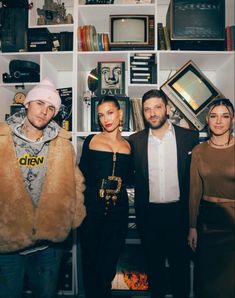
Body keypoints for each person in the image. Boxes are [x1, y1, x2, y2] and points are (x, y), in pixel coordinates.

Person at [0, 78, 86, 298]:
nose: (44, 111)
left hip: (48, 245)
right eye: (39, 103)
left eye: (51, 108)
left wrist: (74, 217)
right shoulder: (2, 139)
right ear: (26, 103)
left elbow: (76, 182)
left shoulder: (62, 143)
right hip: (8, 242)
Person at [129, 89, 199, 298]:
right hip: (148, 216)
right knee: (154, 271)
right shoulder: (135, 141)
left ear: (167, 109)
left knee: (180, 271)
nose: (152, 113)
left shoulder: (189, 138)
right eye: (147, 109)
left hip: (179, 215)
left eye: (157, 107)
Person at [78, 95, 132, 298]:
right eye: (101, 115)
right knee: (91, 265)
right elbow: (81, 177)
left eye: (110, 112)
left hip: (119, 214)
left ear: (120, 113)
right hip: (91, 213)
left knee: (109, 265)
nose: (105, 119)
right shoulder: (91, 141)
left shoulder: (129, 146)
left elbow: (129, 178)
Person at [188, 98, 235, 298]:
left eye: (225, 116)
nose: (219, 121)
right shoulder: (199, 151)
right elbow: (194, 191)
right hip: (207, 225)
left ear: (232, 120)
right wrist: (192, 226)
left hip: (233, 223)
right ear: (207, 119)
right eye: (214, 116)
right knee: (206, 284)